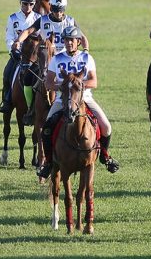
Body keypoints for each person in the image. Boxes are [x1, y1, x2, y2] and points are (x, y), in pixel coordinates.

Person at [38, 26, 120, 177]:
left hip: (85, 98)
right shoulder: (57, 59)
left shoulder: (87, 58)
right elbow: (48, 83)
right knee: (47, 128)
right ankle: (49, 162)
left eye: (72, 40)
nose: (69, 43)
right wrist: (64, 87)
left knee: (106, 127)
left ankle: (105, 156)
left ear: (78, 42)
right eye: (67, 40)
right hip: (61, 100)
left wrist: (76, 87)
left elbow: (94, 82)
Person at [12, 0, 87, 125]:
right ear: (51, 7)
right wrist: (18, 41)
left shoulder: (70, 21)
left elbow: (82, 37)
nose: (58, 13)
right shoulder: (43, 20)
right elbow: (29, 31)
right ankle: (31, 109)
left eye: (61, 9)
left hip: (65, 59)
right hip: (45, 58)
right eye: (55, 9)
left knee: (75, 84)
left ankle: (79, 109)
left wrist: (85, 51)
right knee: (28, 78)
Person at [0, 0, 39, 114]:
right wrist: (13, 50)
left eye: (31, 4)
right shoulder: (12, 18)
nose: (27, 7)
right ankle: (7, 100)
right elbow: (9, 37)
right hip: (18, 55)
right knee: (7, 74)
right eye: (25, 4)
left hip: (33, 56)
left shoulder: (38, 18)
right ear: (20, 3)